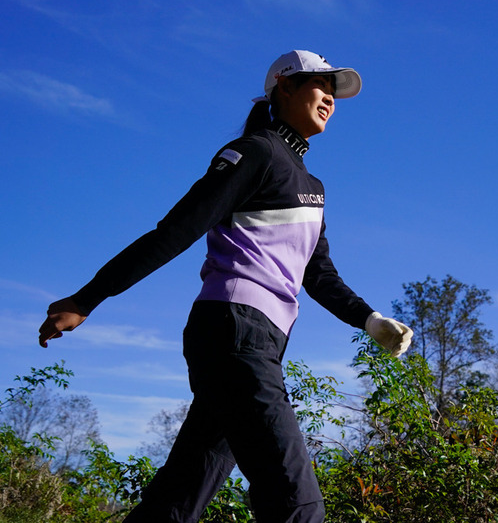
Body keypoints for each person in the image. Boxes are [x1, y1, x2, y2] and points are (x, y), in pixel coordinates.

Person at [38, 50, 413, 523]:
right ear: (285, 87)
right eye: (321, 85)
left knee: (178, 499)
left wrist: (370, 319)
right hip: (235, 332)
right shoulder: (254, 152)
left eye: (335, 92)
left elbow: (318, 274)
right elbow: (176, 230)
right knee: (296, 501)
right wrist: (87, 298)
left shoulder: (311, 185)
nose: (330, 99)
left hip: (255, 343)